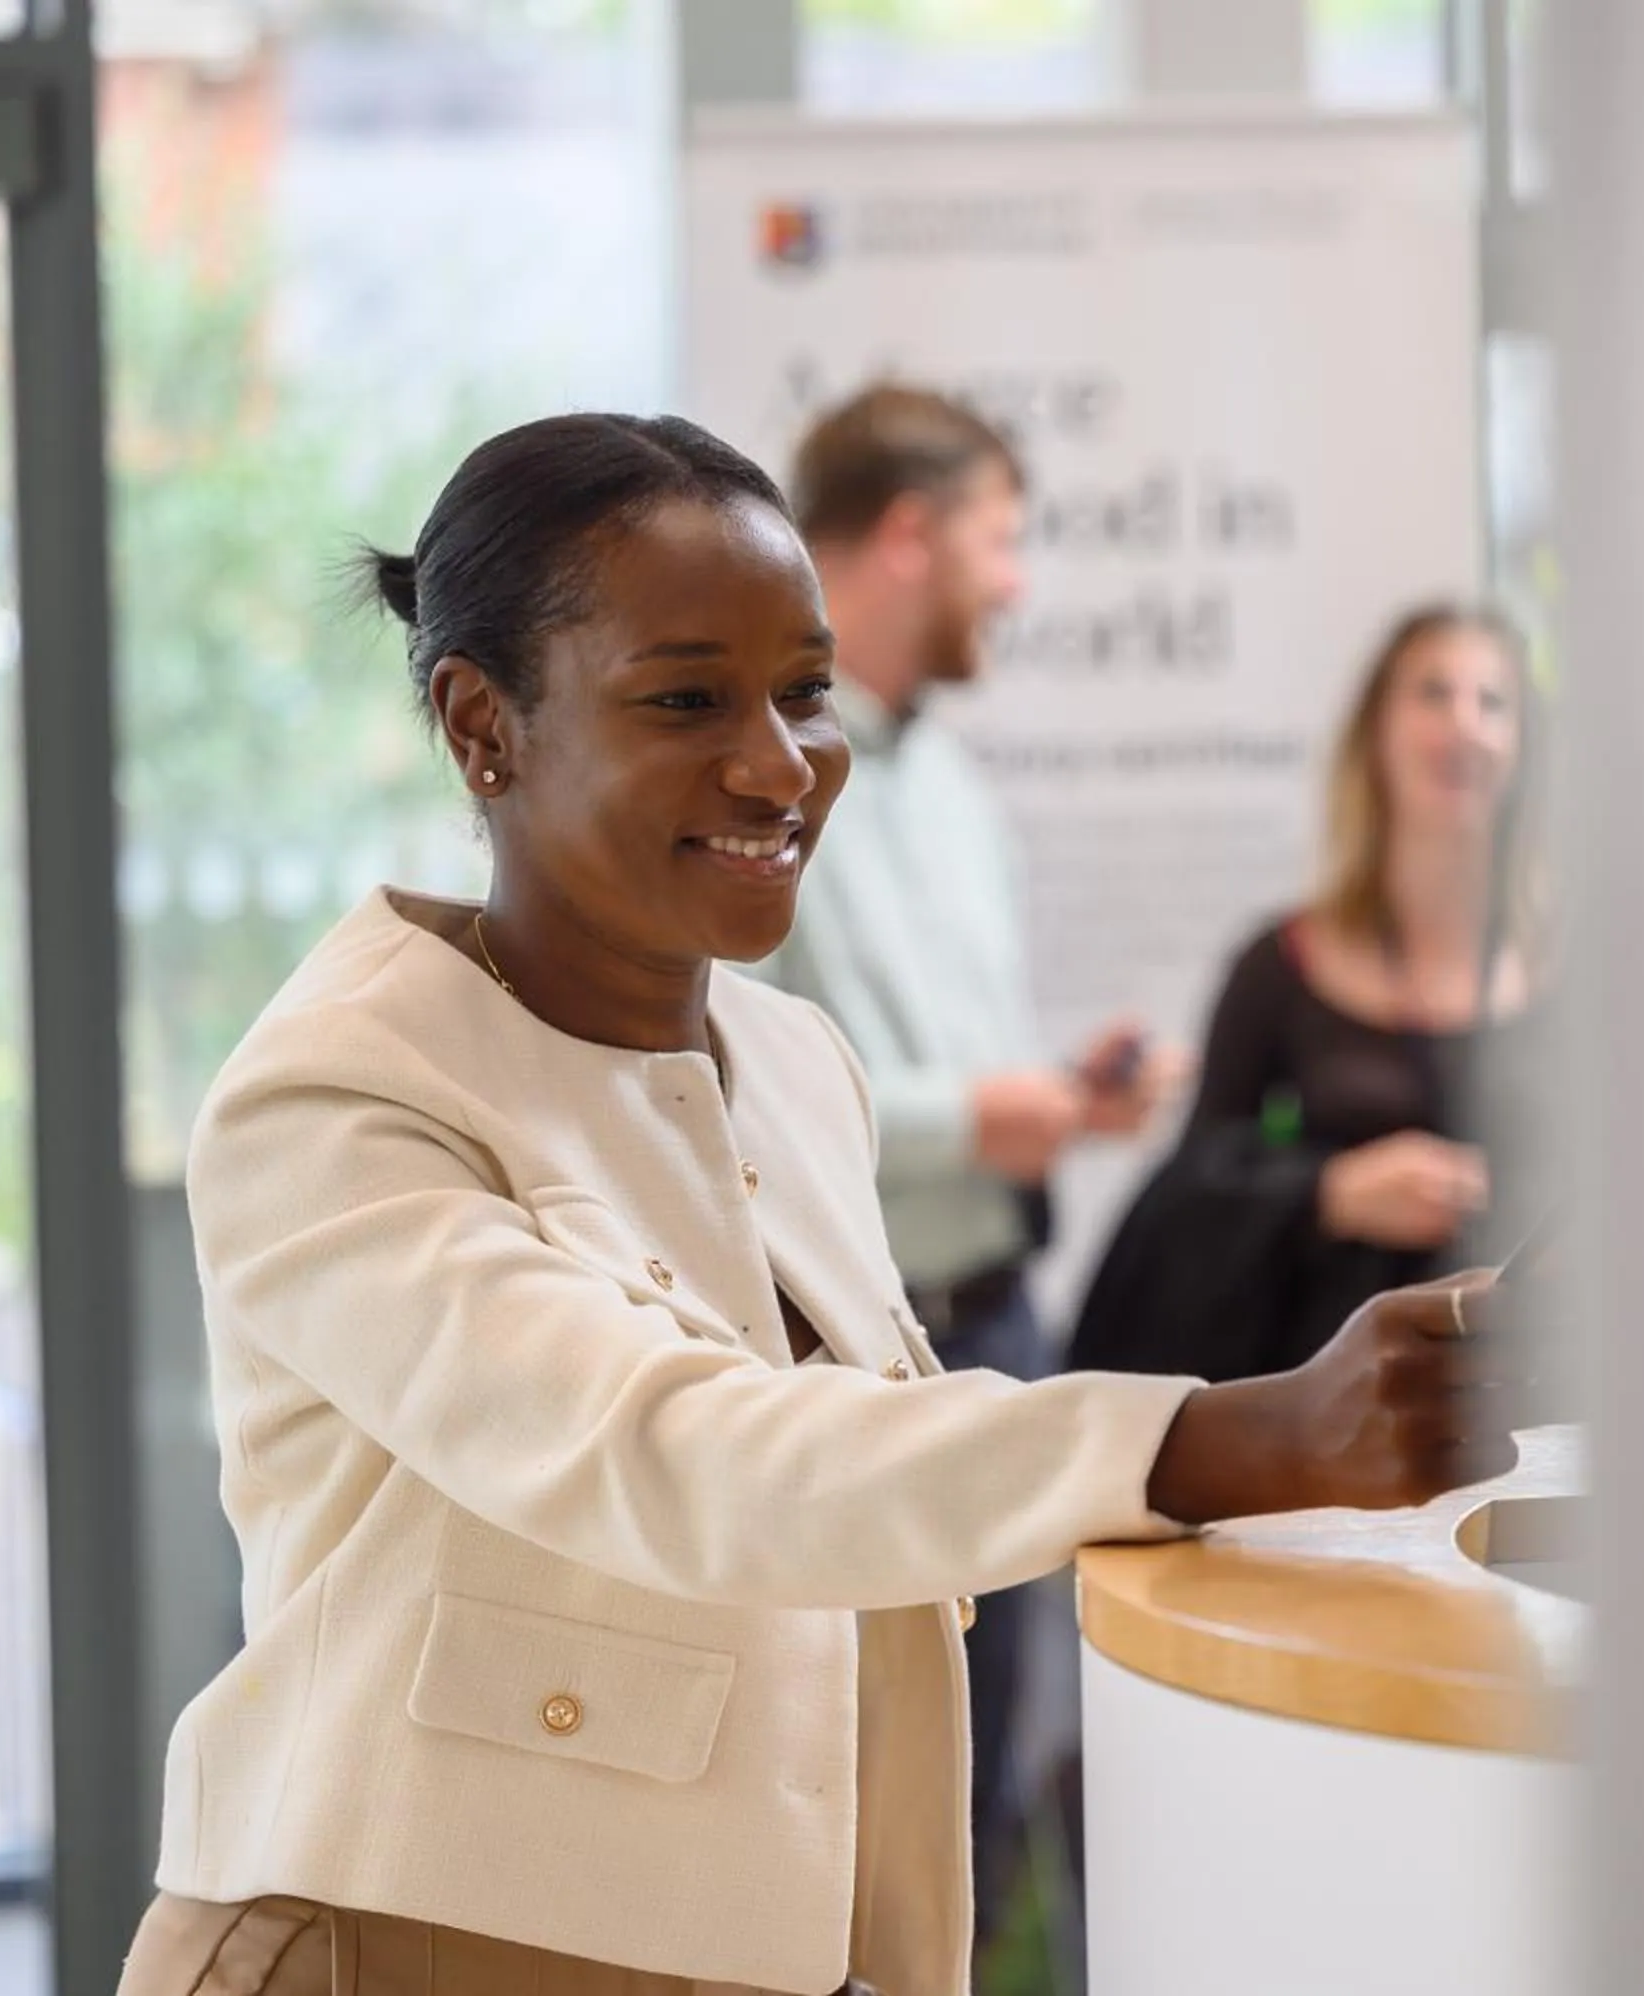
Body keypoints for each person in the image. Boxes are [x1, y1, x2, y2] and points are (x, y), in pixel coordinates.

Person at [115, 414, 1515, 1996]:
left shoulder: (796, 1063)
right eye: (687, 700)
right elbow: (677, 1455)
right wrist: (1224, 1433)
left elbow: (857, 1531)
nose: (781, 765)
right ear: (480, 725)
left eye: (804, 693)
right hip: (388, 1950)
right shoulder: (338, 1096)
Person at [746, 383, 1182, 1956]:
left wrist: (1058, 1101)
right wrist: (971, 1121)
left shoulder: (952, 790)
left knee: (986, 1805)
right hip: (839, 1355)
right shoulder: (761, 782)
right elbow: (734, 1078)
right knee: (853, 1829)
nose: (1016, 584)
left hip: (991, 1332)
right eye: (1003, 540)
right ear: (911, 535)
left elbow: (909, 1060)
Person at [1069, 604, 1552, 1385]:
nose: (1463, 723)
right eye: (1433, 693)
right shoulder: (1281, 964)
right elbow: (1191, 1191)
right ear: (1376, 732)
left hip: (1535, 1381)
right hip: (1333, 1389)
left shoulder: (1578, 972)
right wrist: (1332, 1192)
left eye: (1491, 701)